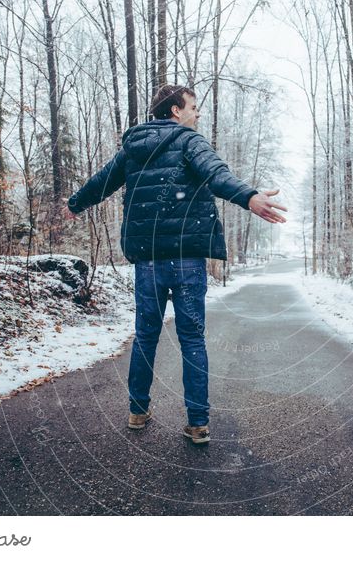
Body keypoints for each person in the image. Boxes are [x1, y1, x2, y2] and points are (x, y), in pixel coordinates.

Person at [65, 85, 287, 444]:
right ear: (174, 111)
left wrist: (75, 204)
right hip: (186, 259)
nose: (197, 114)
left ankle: (138, 412)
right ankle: (197, 423)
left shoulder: (132, 150)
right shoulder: (189, 141)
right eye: (193, 107)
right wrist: (248, 197)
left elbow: (101, 182)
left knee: (146, 336)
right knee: (192, 338)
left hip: (149, 261)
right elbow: (216, 174)